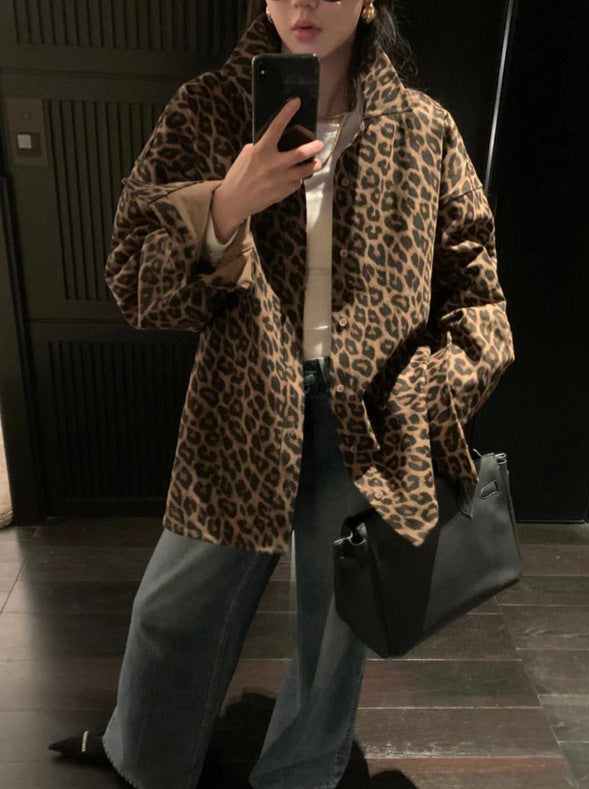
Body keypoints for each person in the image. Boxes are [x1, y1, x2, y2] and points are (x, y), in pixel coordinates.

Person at [48, 0, 515, 787]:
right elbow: (132, 275)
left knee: (335, 630)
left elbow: (480, 296)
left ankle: (300, 774)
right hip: (245, 403)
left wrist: (426, 398)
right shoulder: (210, 110)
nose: (303, 3)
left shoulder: (424, 131)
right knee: (171, 607)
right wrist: (226, 206)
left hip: (371, 416)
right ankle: (144, 754)